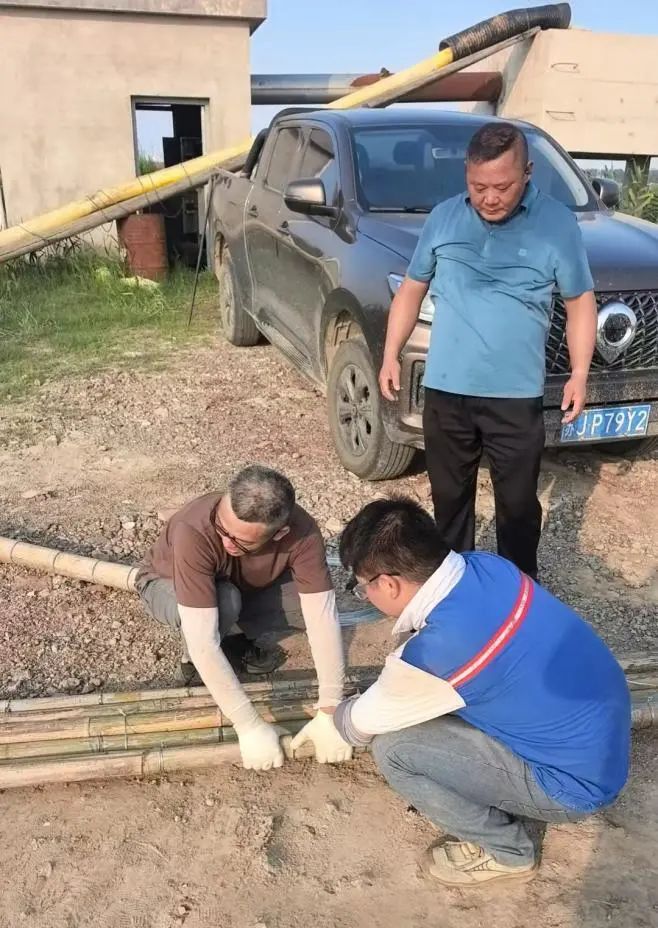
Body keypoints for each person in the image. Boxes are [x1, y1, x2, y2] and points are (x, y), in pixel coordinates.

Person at [334, 499, 630, 888]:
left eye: (361, 587)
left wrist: (332, 715)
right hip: (599, 738)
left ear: (388, 584)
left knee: (395, 750)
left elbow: (356, 726)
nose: (365, 595)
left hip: (573, 786)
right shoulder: (488, 567)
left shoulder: (438, 655)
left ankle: (509, 853)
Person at [379, 121, 597, 580]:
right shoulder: (444, 218)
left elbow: (579, 300)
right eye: (478, 187)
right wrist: (390, 353)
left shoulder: (557, 224)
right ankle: (456, 590)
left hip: (514, 397)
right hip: (447, 391)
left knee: (517, 509)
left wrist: (579, 373)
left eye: (503, 187)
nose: (490, 198)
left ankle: (517, 592)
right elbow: (412, 288)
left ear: (528, 173)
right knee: (449, 504)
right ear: (466, 174)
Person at [135, 465, 352, 771]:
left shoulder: (302, 532)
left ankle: (234, 638)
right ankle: (193, 663)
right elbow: (202, 642)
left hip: (243, 586)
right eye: (222, 530)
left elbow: (322, 618)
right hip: (166, 585)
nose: (226, 543)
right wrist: (249, 725)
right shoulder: (194, 529)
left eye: (240, 542)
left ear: (280, 533)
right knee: (224, 603)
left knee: (305, 606)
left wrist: (331, 709)